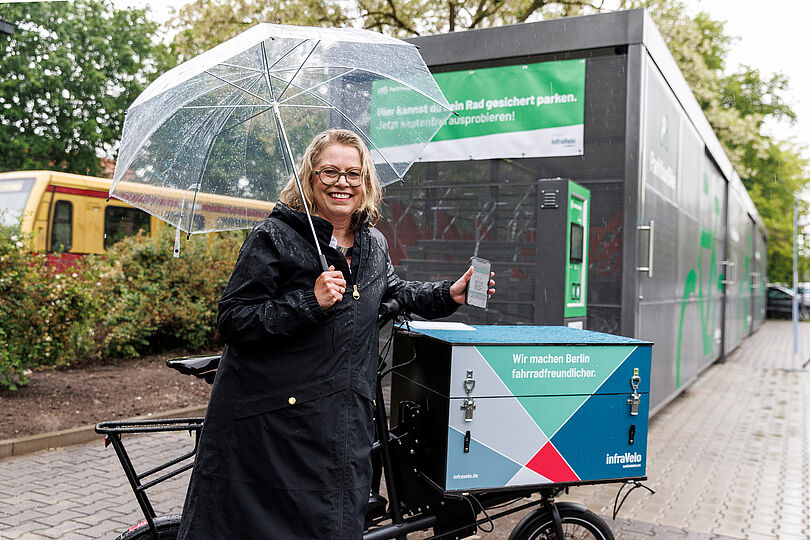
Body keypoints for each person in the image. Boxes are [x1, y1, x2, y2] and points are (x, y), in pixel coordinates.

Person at [177, 128, 495, 540]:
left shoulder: (373, 243)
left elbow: (394, 291)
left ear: (366, 184)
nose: (342, 183)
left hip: (343, 425)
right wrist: (309, 301)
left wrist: (448, 294)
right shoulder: (273, 237)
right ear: (309, 178)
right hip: (275, 432)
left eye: (353, 174)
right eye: (330, 172)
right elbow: (234, 320)